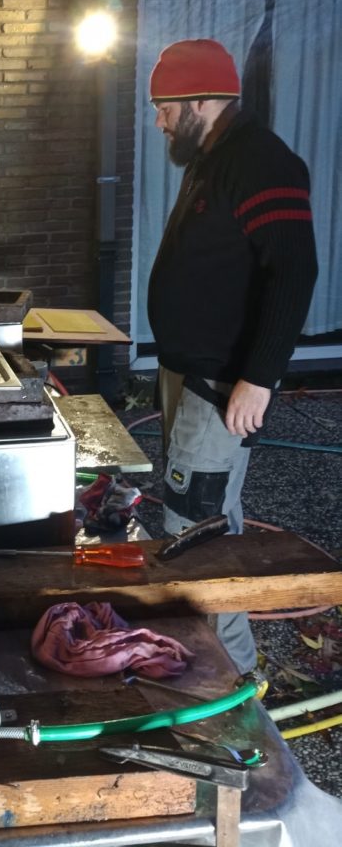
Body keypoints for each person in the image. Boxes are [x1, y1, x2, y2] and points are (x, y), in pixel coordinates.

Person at [147, 38, 318, 676]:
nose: (159, 122)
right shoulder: (212, 157)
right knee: (211, 518)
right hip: (188, 372)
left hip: (220, 381)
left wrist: (260, 377)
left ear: (200, 101)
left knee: (194, 528)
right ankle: (227, 669)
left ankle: (226, 682)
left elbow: (293, 272)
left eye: (165, 109)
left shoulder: (259, 161)